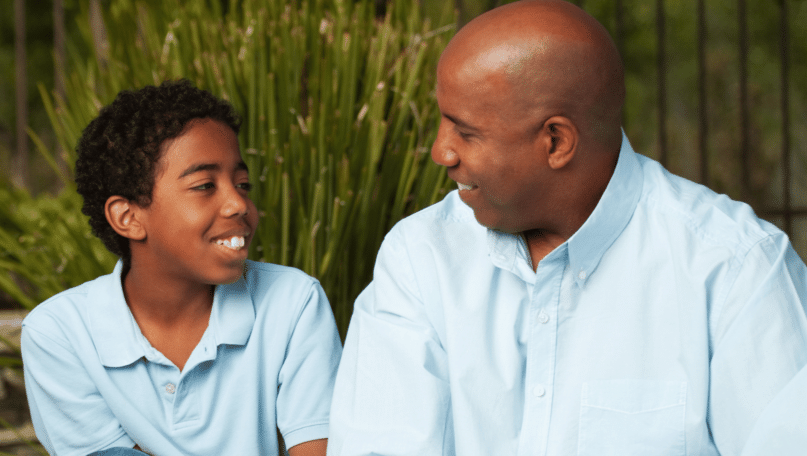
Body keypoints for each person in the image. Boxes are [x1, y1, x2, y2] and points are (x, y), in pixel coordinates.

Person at [328, 1, 807, 454]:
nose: (441, 152)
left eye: (465, 132)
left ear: (556, 141)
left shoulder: (739, 269)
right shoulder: (420, 257)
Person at [21, 80, 342, 456]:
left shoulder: (293, 301)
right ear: (128, 217)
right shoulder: (60, 333)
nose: (238, 203)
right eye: (205, 185)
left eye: (242, 184)